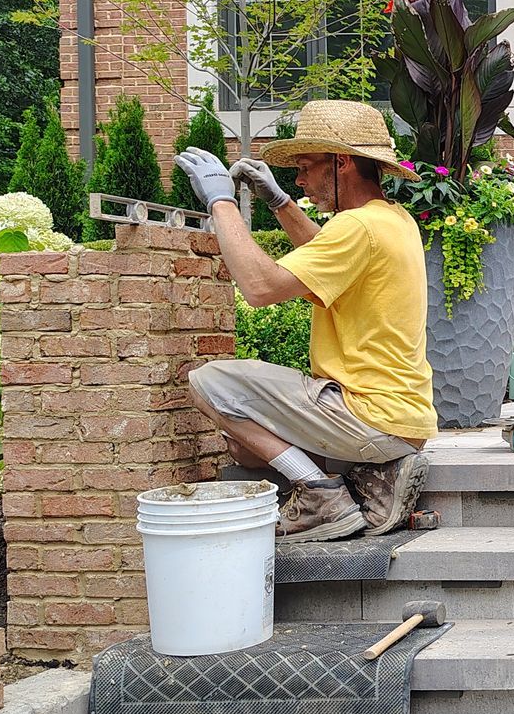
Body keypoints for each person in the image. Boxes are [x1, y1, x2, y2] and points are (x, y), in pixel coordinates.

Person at [174, 100, 436, 544]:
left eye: (306, 166)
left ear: (342, 162)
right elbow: (326, 256)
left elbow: (260, 288)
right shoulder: (392, 220)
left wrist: (222, 203)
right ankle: (374, 476)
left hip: (367, 416)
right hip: (402, 419)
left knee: (209, 383)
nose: (298, 179)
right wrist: (280, 204)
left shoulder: (356, 227)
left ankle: (320, 494)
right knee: (244, 447)